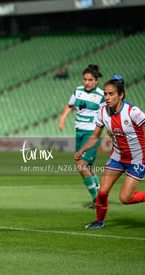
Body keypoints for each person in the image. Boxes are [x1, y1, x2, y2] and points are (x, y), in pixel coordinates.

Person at [74, 74, 145, 229]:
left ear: (121, 95)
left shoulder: (133, 112)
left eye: (111, 94)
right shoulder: (102, 113)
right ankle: (99, 221)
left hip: (137, 160)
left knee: (125, 198)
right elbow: (95, 136)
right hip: (117, 158)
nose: (107, 97)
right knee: (103, 192)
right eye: (105, 94)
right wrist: (82, 151)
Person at [58, 64, 105, 209]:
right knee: (89, 168)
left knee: (81, 166)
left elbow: (106, 115)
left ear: (96, 81)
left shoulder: (101, 95)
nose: (87, 82)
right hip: (78, 132)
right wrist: (63, 118)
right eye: (85, 79)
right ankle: (100, 197)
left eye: (90, 80)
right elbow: (70, 105)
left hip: (92, 134)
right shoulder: (78, 91)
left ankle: (97, 200)